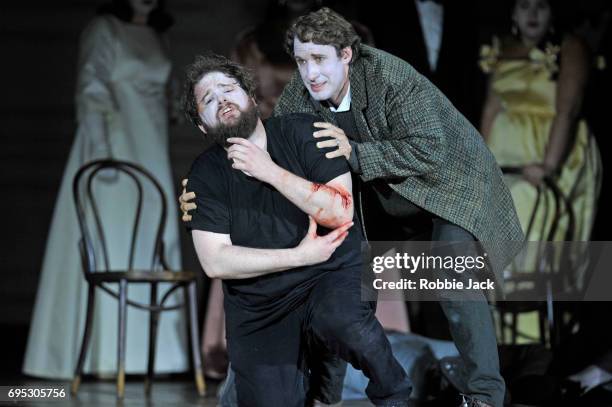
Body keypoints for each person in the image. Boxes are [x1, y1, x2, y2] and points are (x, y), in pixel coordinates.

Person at [181, 7, 524, 407]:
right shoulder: (302, 94)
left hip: (443, 194)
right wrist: (200, 192)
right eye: (302, 61)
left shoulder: (392, 79)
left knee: (453, 273)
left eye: (320, 59)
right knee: (339, 280)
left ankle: (484, 394)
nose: (311, 73)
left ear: (346, 55)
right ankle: (325, 396)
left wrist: (356, 153)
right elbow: (270, 142)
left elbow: (431, 149)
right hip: (380, 202)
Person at [182, 53, 413, 406]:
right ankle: (313, 377)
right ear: (203, 126)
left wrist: (268, 170)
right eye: (208, 100)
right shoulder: (204, 175)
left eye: (228, 89)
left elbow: (340, 210)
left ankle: (392, 390)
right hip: (261, 302)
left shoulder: (304, 132)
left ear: (252, 97)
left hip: (331, 272)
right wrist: (298, 255)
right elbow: (215, 262)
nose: (222, 100)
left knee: (343, 323)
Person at [23, 0, 187, 379]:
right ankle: (97, 353)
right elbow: (91, 84)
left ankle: (152, 357)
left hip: (150, 145)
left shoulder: (158, 35)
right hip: (115, 142)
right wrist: (99, 149)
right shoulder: (105, 28)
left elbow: (168, 92)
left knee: (149, 238)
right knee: (108, 239)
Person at [479, 0, 601, 243]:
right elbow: (492, 107)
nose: (532, 14)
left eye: (541, 6)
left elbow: (568, 110)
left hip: (549, 149)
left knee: (535, 225)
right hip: (503, 153)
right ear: (513, 13)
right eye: (524, 6)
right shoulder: (500, 48)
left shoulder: (571, 47)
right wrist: (482, 162)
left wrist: (548, 167)